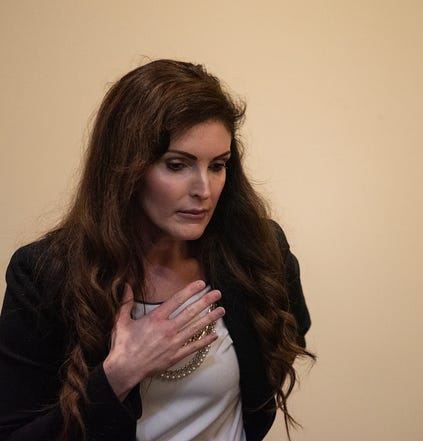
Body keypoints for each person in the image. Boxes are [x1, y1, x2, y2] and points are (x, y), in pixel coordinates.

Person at [0, 59, 314, 441]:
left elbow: (282, 345)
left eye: (218, 165)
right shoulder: (45, 273)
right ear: (125, 168)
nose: (204, 189)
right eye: (177, 164)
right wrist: (118, 375)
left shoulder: (257, 250)